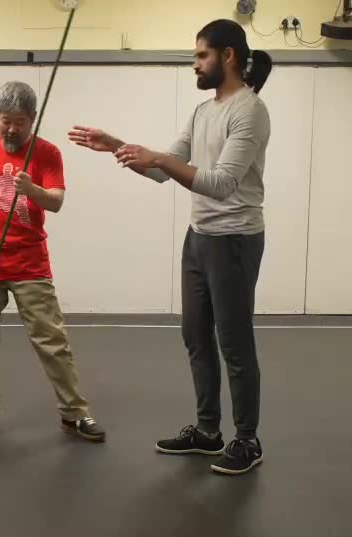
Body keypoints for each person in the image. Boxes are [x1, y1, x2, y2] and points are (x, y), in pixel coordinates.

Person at [68, 19, 272, 474]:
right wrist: (116, 146)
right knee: (195, 335)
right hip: (199, 238)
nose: (195, 64)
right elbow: (164, 170)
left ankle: (247, 440)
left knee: (234, 343)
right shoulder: (202, 112)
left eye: (201, 55)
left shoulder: (250, 110)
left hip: (235, 240)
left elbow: (220, 183)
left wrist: (158, 156)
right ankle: (208, 431)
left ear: (228, 56)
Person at [0, 81, 105, 442]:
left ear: (33, 118)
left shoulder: (47, 153)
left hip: (30, 263)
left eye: (19, 122)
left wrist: (31, 190)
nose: (11, 129)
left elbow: (56, 201)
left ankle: (74, 413)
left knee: (53, 341)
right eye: (5, 121)